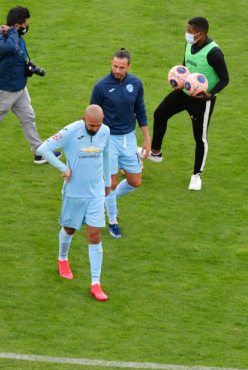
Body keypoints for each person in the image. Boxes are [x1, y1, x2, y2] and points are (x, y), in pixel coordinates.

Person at [36, 105, 111, 301]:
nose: (95, 129)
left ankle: (96, 283)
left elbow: (106, 156)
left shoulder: (105, 131)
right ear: (83, 119)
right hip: (74, 192)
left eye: (98, 125)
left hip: (96, 193)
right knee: (69, 229)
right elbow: (43, 148)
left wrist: (107, 183)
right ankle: (62, 259)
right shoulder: (71, 131)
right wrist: (63, 168)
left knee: (94, 234)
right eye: (91, 125)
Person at [149, 16, 229, 191]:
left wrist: (210, 94)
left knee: (200, 138)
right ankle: (155, 152)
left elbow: (225, 78)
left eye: (190, 31)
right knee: (160, 113)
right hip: (183, 92)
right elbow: (186, 64)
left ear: (200, 34)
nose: (187, 34)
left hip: (201, 101)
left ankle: (196, 175)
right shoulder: (189, 44)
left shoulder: (214, 53)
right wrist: (180, 79)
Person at [0, 6, 58, 164]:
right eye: (25, 25)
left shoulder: (15, 35)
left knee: (28, 117)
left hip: (19, 87)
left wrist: (29, 65)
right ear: (17, 25)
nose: (27, 28)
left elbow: (20, 53)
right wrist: (12, 31)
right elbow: (9, 47)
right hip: (3, 89)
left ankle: (39, 152)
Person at [90, 49, 150, 239]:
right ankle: (113, 222)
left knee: (135, 181)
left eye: (121, 67)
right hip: (109, 140)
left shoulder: (136, 84)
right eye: (115, 66)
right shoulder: (101, 87)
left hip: (129, 139)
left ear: (129, 66)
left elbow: (140, 110)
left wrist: (147, 138)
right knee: (111, 183)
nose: (117, 70)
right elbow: (92, 115)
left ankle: (104, 199)